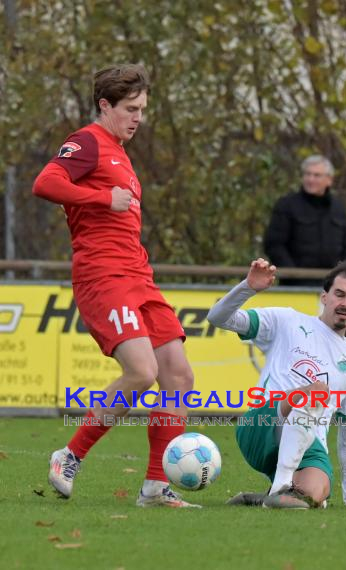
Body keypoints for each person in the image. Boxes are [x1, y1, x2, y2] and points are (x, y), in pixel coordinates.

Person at [32, 64, 200, 508]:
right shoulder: (88, 141)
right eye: (130, 108)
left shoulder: (121, 152)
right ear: (105, 105)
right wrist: (102, 197)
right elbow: (45, 182)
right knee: (143, 372)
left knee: (179, 376)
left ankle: (155, 485)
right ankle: (70, 455)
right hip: (103, 276)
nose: (138, 117)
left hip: (138, 276)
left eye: (143, 108)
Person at [207, 257, 346, 509]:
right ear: (324, 297)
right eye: (339, 294)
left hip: (308, 446)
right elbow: (218, 318)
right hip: (261, 425)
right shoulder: (286, 321)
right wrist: (247, 287)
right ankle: (281, 485)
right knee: (318, 391)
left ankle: (267, 496)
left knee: (316, 493)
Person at [263, 155, 346, 286]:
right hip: (296, 287)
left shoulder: (338, 208)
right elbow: (274, 245)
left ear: (329, 180)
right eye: (307, 174)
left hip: (332, 286)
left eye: (317, 175)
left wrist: (341, 275)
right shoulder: (287, 205)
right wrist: (294, 275)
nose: (311, 179)